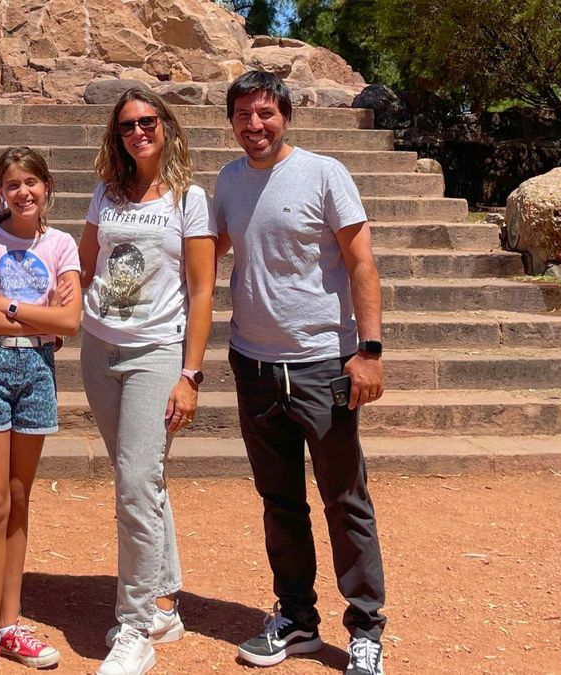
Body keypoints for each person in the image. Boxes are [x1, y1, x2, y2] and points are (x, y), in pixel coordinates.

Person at [212, 70, 387, 675]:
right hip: (255, 366)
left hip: (322, 366)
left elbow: (361, 261)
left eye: (265, 114)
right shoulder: (228, 181)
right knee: (279, 500)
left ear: (284, 115)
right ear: (231, 121)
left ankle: (365, 627)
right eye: (243, 116)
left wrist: (368, 350)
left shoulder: (324, 173)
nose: (254, 126)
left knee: (345, 500)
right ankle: (297, 618)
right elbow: (212, 250)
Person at [77, 89, 217, 675]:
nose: (138, 131)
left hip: (157, 351)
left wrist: (190, 373)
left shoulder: (189, 197)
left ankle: (134, 624)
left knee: (136, 483)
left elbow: (203, 288)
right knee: (142, 479)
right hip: (98, 345)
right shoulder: (106, 193)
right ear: (118, 134)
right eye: (128, 124)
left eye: (148, 121)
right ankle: (163, 603)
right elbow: (83, 267)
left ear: (166, 127)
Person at [0, 147, 82, 675]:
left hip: (35, 372)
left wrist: (4, 306)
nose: (23, 192)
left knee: (19, 496)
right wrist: (35, 314)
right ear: (0, 190)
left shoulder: (61, 243)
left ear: (47, 186)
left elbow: (71, 321)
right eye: (12, 184)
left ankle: (10, 623)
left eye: (32, 182)